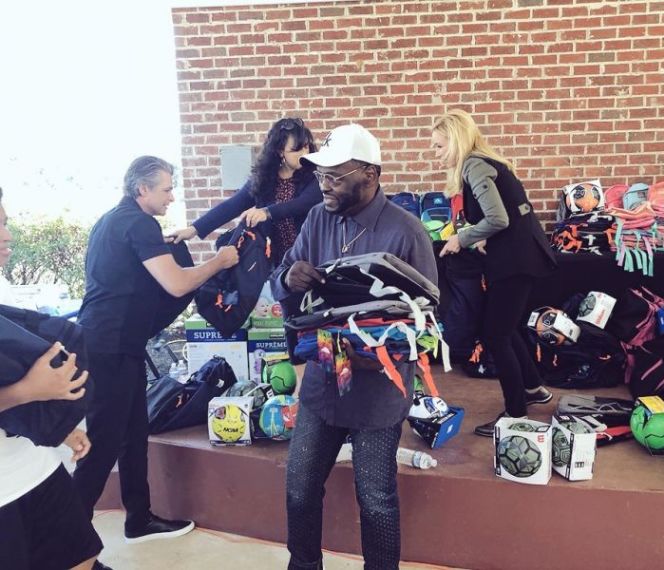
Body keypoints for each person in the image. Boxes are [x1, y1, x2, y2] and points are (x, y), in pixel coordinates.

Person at [270, 124, 437, 570]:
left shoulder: (407, 232)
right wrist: (290, 278)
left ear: (370, 174)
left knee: (376, 499)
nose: (323, 184)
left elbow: (428, 322)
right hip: (325, 376)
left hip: (378, 388)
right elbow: (281, 277)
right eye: (321, 175)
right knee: (299, 487)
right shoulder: (318, 218)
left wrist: (381, 339)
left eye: (336, 176)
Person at [71, 157, 239, 545]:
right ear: (141, 189)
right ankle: (70, 539)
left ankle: (139, 519)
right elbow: (177, 284)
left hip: (116, 344)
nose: (171, 196)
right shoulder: (138, 223)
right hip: (108, 347)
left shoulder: (113, 221)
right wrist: (218, 261)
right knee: (104, 444)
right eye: (165, 189)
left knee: (134, 434)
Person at [432, 109, 557, 437]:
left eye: (440, 146)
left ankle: (516, 412)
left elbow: (498, 218)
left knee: (495, 335)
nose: (437, 154)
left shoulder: (474, 166)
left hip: (517, 261)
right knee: (506, 328)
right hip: (521, 257)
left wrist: (463, 238)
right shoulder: (484, 164)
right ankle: (533, 388)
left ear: (456, 142)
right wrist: (481, 237)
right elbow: (504, 217)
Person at [0, 187, 103, 570]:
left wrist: (53, 428)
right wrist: (29, 391)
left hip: (32, 466)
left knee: (81, 556)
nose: (7, 236)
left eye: (6, 223)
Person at [169, 116, 320, 265]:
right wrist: (193, 229)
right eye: (296, 150)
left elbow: (302, 204)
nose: (304, 154)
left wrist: (266, 212)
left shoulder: (316, 175)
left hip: (311, 257)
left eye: (306, 147)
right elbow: (232, 206)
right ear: (281, 151)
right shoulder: (264, 179)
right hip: (276, 263)